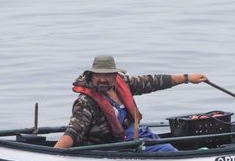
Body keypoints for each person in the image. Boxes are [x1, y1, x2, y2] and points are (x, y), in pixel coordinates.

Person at [54, 55, 208, 151]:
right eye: (98, 75)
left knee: (167, 147)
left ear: (115, 76)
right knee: (167, 151)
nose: (102, 79)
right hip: (112, 148)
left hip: (135, 137)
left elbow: (152, 82)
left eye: (106, 75)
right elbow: (73, 132)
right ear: (91, 75)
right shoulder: (85, 102)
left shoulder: (123, 84)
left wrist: (187, 78)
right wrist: (55, 155)